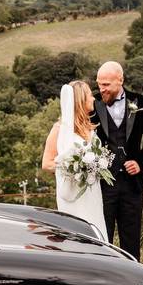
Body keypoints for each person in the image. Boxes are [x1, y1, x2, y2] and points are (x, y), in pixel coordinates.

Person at [91, 61, 143, 261]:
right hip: (103, 185)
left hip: (132, 185)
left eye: (106, 85)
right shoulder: (92, 103)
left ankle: (132, 284)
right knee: (103, 238)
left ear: (120, 81)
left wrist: (139, 161)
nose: (101, 89)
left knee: (131, 241)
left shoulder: (141, 102)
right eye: (99, 84)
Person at [42, 80, 108, 240]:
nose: (93, 99)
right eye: (90, 95)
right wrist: (74, 166)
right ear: (80, 100)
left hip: (92, 194)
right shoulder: (59, 129)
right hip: (72, 196)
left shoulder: (90, 128)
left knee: (96, 231)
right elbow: (47, 163)